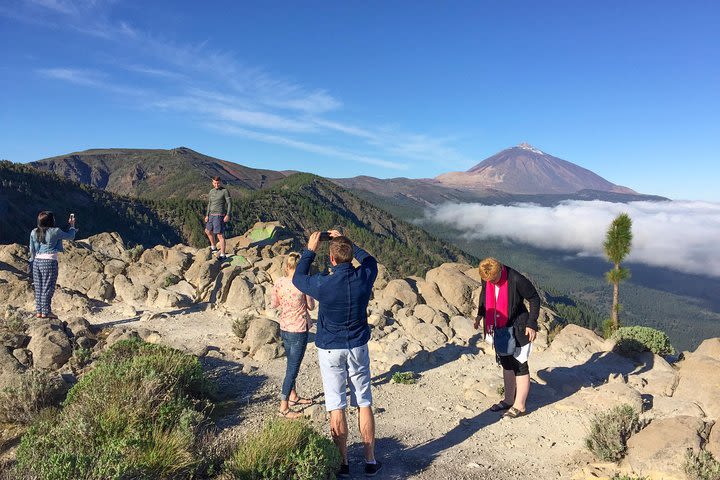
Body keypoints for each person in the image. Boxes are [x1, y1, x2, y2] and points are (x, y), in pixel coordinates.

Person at [292, 230, 383, 478]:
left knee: (336, 405)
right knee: (363, 401)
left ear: (331, 259)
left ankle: (343, 463)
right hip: (357, 346)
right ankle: (370, 460)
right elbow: (370, 261)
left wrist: (310, 250)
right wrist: (349, 242)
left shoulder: (323, 284)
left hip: (330, 347)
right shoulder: (365, 276)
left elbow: (298, 278)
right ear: (350, 257)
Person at [474, 257, 540, 419]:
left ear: (499, 271)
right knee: (506, 362)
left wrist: (531, 323)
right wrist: (480, 315)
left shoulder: (516, 279)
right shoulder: (488, 278)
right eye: (488, 280)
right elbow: (484, 295)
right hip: (499, 327)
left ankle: (520, 405)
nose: (492, 283)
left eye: (494, 279)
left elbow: (534, 298)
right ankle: (509, 399)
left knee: (520, 364)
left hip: (519, 327)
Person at [270, 252, 316, 419]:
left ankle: (293, 396)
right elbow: (311, 306)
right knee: (293, 369)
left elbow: (274, 303)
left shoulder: (279, 282)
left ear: (287, 266)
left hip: (284, 327)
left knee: (290, 363)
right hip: (299, 329)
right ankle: (283, 407)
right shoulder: (302, 284)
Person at [29, 211, 77, 319]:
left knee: (39, 287)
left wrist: (32, 260)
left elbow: (32, 248)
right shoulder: (55, 231)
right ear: (51, 220)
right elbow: (71, 236)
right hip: (49, 262)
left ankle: (39, 311)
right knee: (48, 287)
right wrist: (72, 225)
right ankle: (46, 312)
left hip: (37, 262)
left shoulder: (33, 232)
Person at [204, 176, 231, 259]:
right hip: (211, 215)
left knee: (220, 235)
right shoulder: (211, 191)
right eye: (215, 183)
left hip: (219, 216)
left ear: (220, 182)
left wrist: (228, 214)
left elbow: (229, 203)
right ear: (212, 183)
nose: (216, 184)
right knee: (208, 231)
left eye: (218, 183)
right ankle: (213, 247)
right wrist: (207, 215)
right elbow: (209, 204)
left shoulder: (224, 191)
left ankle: (223, 254)